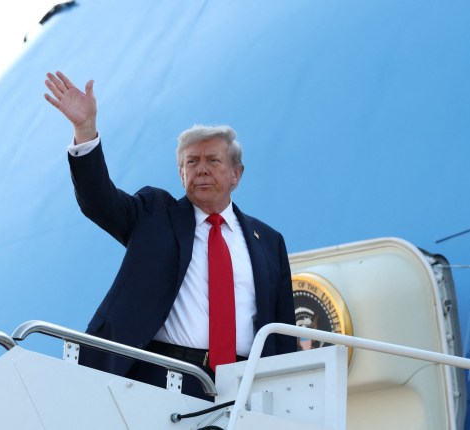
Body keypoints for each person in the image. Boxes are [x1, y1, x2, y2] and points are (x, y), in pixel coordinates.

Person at [44, 71, 296, 400]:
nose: (201, 169)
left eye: (213, 160)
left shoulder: (269, 242)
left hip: (244, 388)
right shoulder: (155, 215)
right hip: (165, 379)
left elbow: (283, 333)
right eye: (192, 162)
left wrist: (288, 394)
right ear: (181, 173)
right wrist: (85, 130)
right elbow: (99, 201)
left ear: (236, 174)